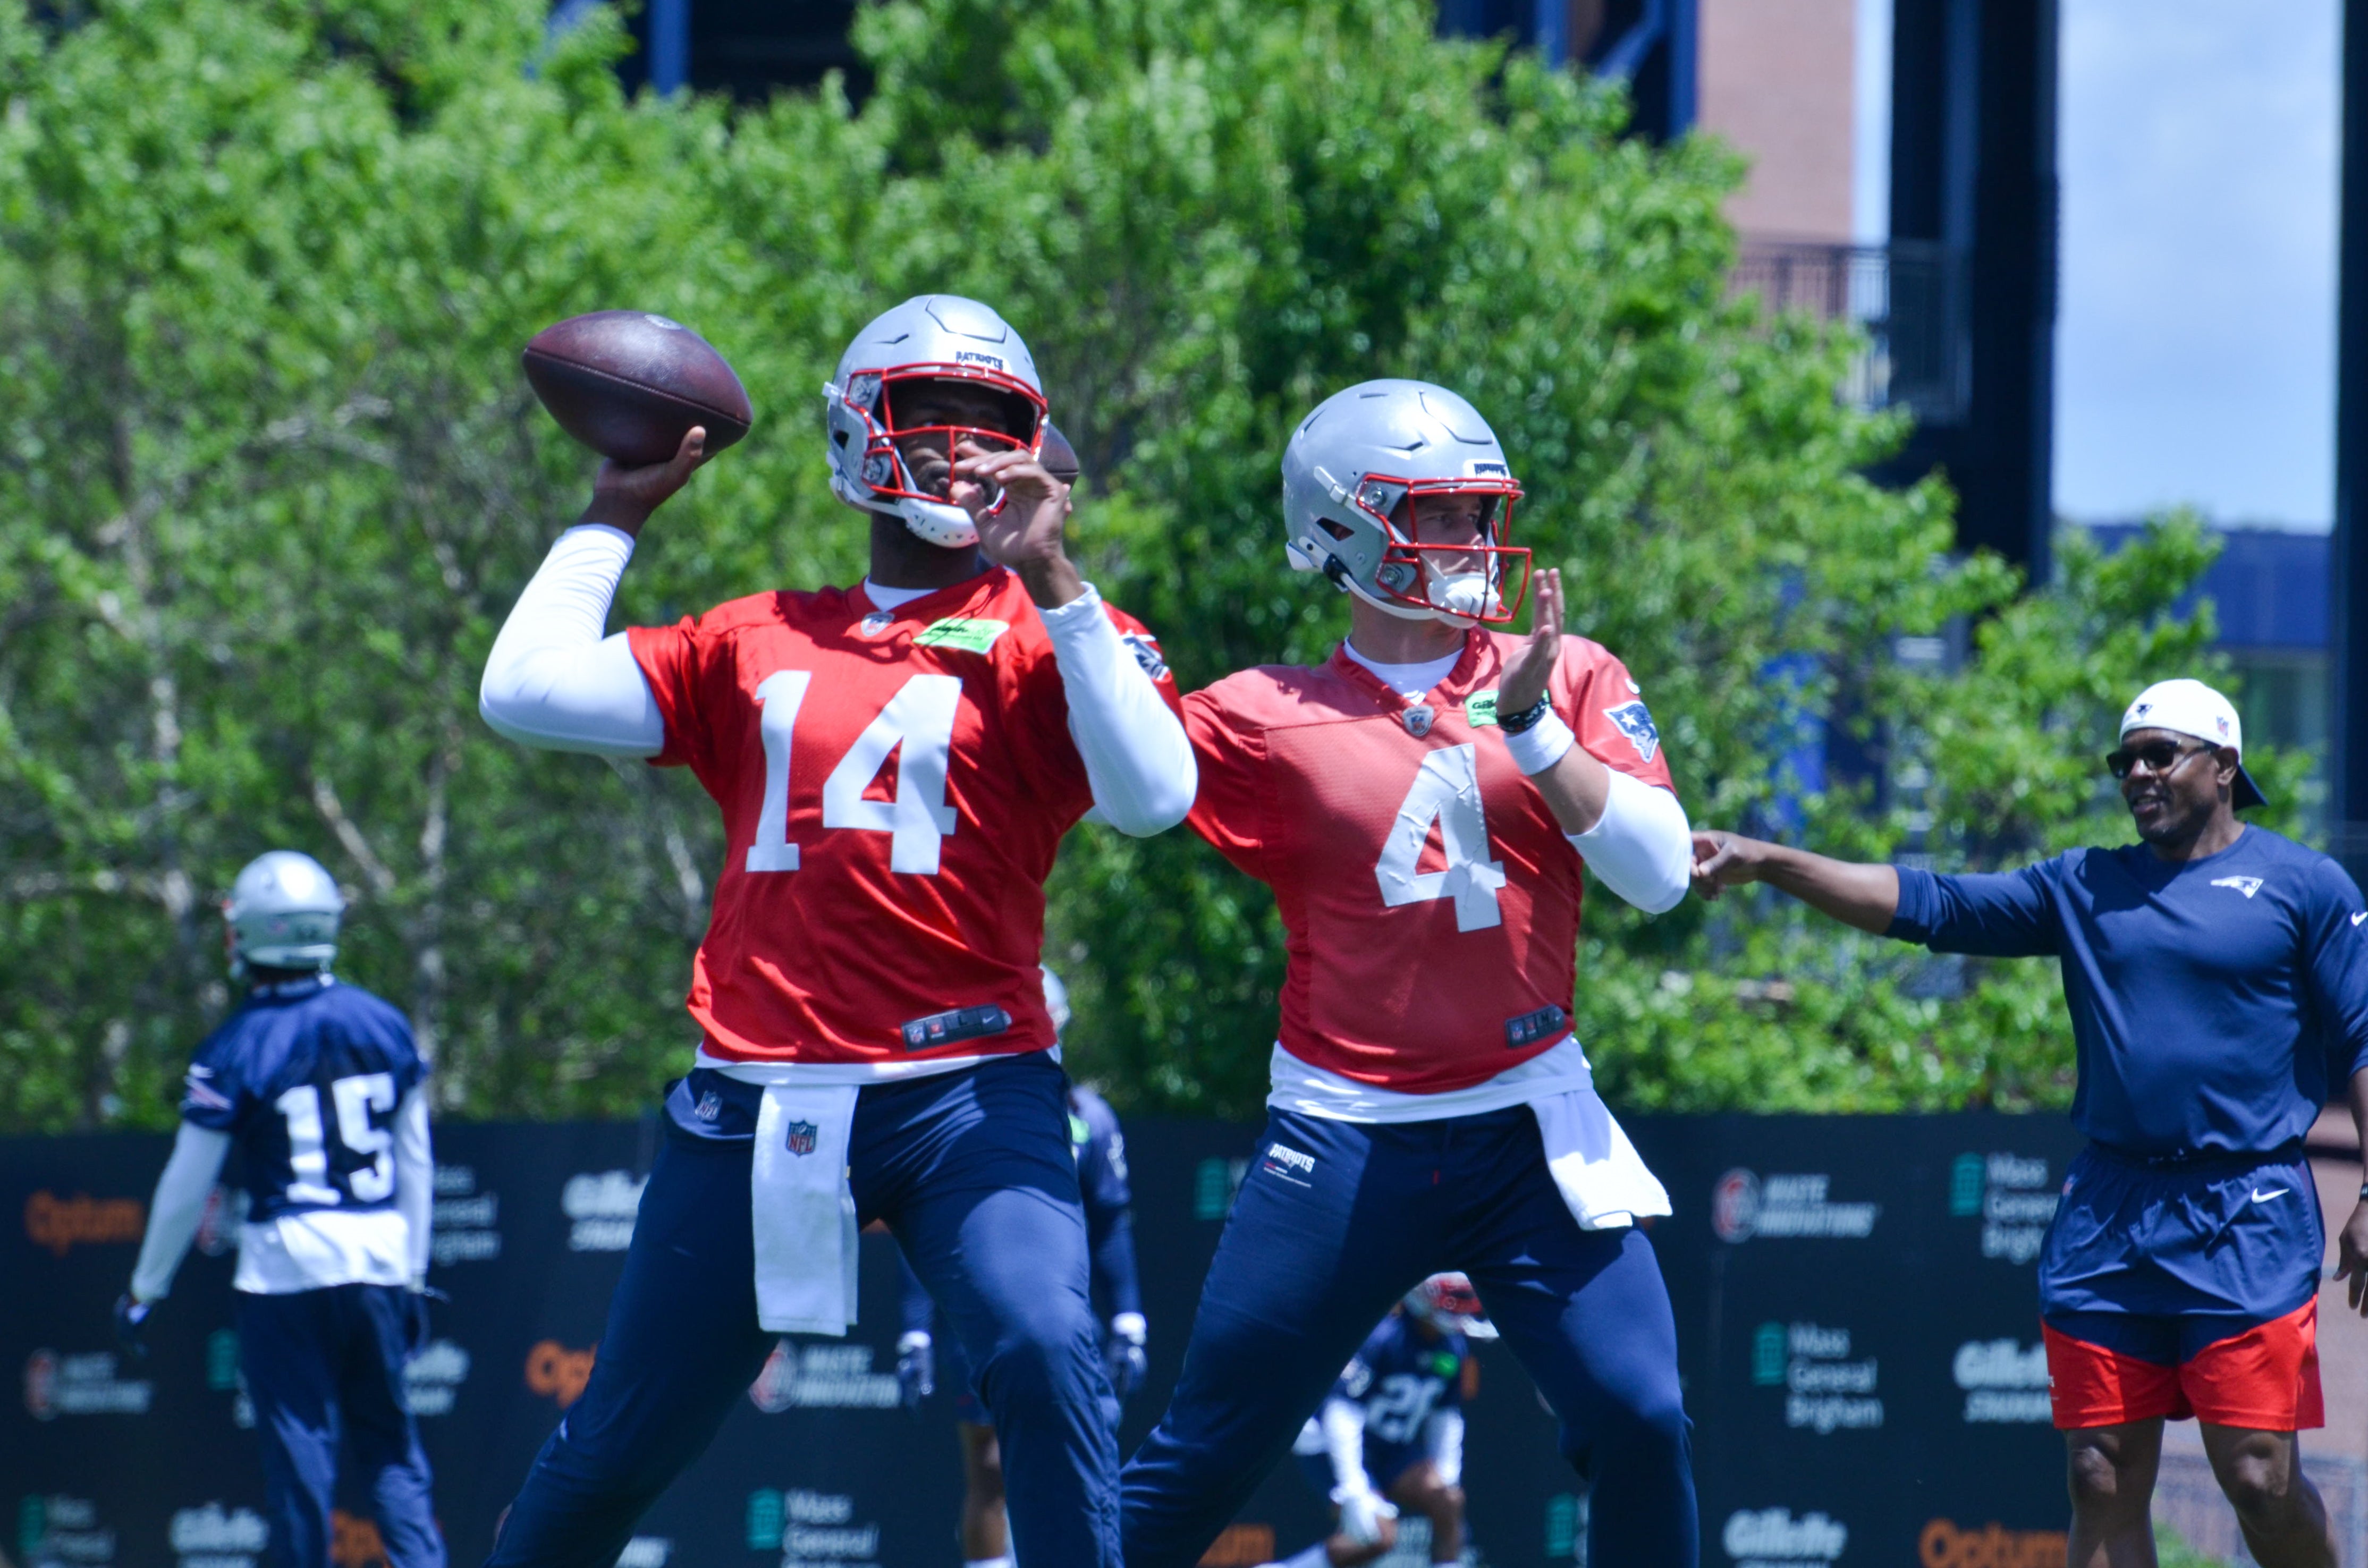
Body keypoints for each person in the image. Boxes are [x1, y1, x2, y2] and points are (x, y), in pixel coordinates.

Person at [474, 293, 1194, 1568]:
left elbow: (1155, 797)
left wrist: (1056, 578)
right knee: (616, 1443)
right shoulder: (756, 635)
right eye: (934, 418)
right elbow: (522, 689)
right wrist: (616, 509)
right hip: (759, 1095)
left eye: (994, 425)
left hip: (968, 1090)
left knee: (1041, 1347)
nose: (967, 451)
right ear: (863, 432)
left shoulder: (1054, 635)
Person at [1120, 380, 1699, 1568]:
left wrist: (1533, 727)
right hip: (1346, 1131)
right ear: (1342, 529)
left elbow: (1658, 876)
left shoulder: (1568, 669)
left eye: (1482, 515)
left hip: (1528, 1118)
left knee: (1641, 1412)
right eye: (1442, 515)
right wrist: (1075, 621)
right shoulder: (1263, 712)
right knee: (1203, 1453)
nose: (1478, 546)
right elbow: (1128, 791)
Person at [1692, 677, 2368, 1568]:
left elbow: (2360, 1037)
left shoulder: (2304, 883)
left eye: (2158, 754)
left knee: (2256, 1478)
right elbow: (1926, 903)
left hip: (2246, 1211)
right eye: (2124, 760)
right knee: (2097, 1475)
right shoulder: (2083, 884)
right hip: (2111, 1215)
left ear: (2225, 765)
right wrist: (1768, 860)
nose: (2136, 773)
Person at [115, 850, 442, 1568]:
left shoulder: (233, 1046)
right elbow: (416, 1160)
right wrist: (413, 1271)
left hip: (284, 1272)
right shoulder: (383, 1021)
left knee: (301, 1472)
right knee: (393, 1454)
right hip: (380, 1260)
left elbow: (185, 1184)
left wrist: (147, 1286)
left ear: (254, 933)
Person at [897, 966, 1149, 1568]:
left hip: (1064, 1310)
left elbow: (1110, 1222)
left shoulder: (1090, 1117)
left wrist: (1129, 1317)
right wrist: (915, 1326)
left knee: (1080, 1455)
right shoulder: (955, 1112)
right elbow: (923, 1226)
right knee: (989, 1466)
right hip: (973, 1306)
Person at [1265, 1275, 1489, 1568]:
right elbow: (1342, 1413)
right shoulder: (1385, 1337)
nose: (1458, 1307)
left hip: (1389, 1449)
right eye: (1452, 1298)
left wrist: (1447, 1478)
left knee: (1448, 1501)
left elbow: (1445, 1419)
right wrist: (1354, 1486)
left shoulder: (1451, 1349)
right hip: (1329, 1443)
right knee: (1378, 1536)